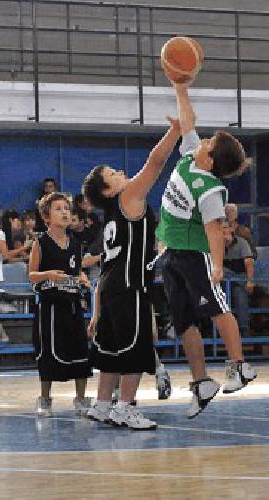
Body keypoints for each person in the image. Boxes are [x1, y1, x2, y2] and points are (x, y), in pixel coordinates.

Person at [154, 78, 257, 419]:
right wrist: (180, 88)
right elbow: (188, 122)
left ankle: (240, 365)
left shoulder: (210, 189)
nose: (203, 140)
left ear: (211, 160)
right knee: (183, 321)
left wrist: (216, 264)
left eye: (209, 142)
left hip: (196, 256)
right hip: (171, 256)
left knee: (216, 308)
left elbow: (214, 229)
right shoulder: (187, 159)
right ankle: (201, 382)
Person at [81, 115, 182, 431]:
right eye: (114, 174)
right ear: (109, 190)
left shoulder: (112, 213)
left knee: (111, 350)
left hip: (111, 283)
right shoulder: (128, 198)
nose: (122, 173)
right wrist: (175, 131)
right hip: (129, 285)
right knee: (137, 350)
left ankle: (101, 405)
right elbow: (155, 162)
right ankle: (124, 407)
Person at [28, 192, 94, 417]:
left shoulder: (76, 244)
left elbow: (76, 272)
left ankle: (82, 398)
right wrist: (49, 275)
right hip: (50, 307)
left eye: (66, 208)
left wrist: (82, 277)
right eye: (58, 208)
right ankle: (45, 399)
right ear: (46, 217)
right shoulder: (41, 242)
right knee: (48, 353)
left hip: (72, 304)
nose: (65, 212)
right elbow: (32, 275)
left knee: (79, 350)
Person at [221, 224, 256, 337]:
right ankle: (222, 331)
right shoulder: (215, 244)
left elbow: (249, 263)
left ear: (231, 229)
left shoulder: (242, 242)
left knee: (240, 294)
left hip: (239, 279)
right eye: (221, 229)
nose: (224, 231)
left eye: (226, 228)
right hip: (221, 281)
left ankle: (243, 330)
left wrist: (250, 281)